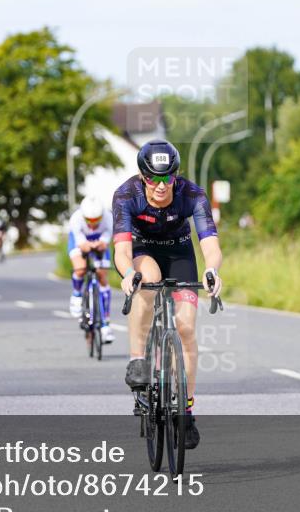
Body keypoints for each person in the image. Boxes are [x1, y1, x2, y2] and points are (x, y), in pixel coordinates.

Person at [112, 140, 223, 450]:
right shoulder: (126, 195)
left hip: (179, 252)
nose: (160, 186)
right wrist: (127, 274)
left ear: (177, 174)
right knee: (148, 280)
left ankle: (186, 411)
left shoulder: (192, 195)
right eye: (152, 178)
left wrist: (211, 270)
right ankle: (138, 360)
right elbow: (122, 250)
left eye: (167, 178)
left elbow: (210, 245)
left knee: (186, 327)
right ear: (142, 176)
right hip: (142, 250)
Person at [67, 196, 114, 344]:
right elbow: (80, 243)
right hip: (79, 241)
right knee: (80, 269)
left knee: (101, 275)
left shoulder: (108, 218)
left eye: (96, 221)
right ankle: (76, 295)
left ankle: (106, 323)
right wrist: (86, 246)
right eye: (89, 221)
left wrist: (102, 243)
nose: (92, 224)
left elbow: (107, 237)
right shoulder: (76, 219)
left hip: (100, 240)